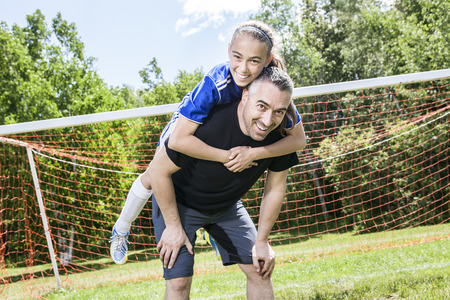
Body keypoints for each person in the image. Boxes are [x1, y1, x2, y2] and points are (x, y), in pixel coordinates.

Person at [110, 20, 305, 265]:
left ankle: (215, 230)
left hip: (229, 142)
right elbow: (180, 140)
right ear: (228, 52)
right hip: (187, 126)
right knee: (154, 173)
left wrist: (254, 154)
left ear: (267, 60)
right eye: (237, 57)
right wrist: (227, 157)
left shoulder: (272, 87)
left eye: (254, 61)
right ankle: (122, 227)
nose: (243, 68)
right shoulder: (216, 82)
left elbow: (298, 140)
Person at [149, 67, 306, 299]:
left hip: (226, 207)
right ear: (245, 96)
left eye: (278, 112)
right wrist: (173, 226)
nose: (267, 120)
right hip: (178, 204)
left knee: (260, 268)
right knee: (179, 282)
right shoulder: (205, 123)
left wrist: (262, 241)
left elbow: (274, 188)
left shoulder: (281, 135)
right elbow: (157, 170)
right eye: (261, 106)